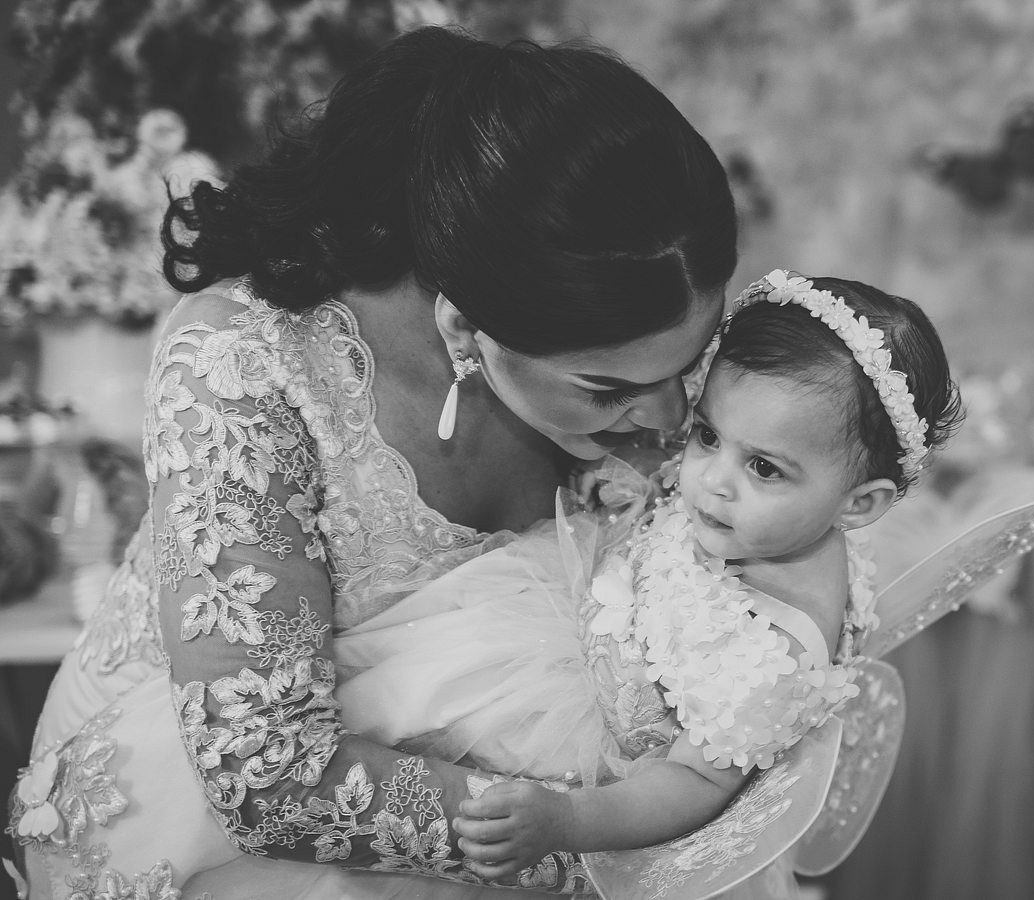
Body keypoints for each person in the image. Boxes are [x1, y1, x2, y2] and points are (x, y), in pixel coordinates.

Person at [6, 25, 737, 898]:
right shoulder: (245, 362)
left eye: (691, 361)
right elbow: (266, 778)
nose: (672, 418)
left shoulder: (631, 315)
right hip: (209, 820)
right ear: (466, 328)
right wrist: (609, 845)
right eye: (607, 388)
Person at [319, 269, 962, 891]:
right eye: (708, 435)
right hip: (560, 606)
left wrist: (567, 820)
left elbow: (695, 783)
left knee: (419, 742)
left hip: (576, 737)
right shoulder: (760, 518)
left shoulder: (777, 652)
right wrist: (637, 496)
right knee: (383, 686)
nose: (711, 479)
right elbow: (680, 493)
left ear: (859, 505)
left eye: (764, 468)